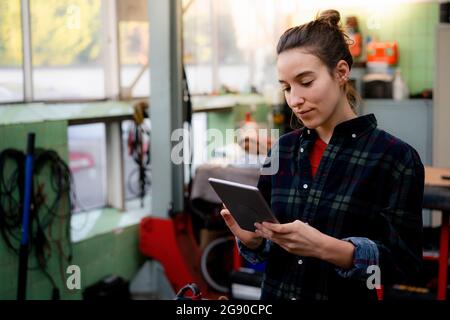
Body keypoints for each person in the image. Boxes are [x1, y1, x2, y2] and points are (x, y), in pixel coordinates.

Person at [220, 9, 424, 300]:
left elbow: (405, 266)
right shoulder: (284, 149)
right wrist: (252, 241)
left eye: (306, 82)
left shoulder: (395, 159)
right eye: (287, 87)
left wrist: (329, 248)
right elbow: (269, 244)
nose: (295, 100)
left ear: (341, 72)